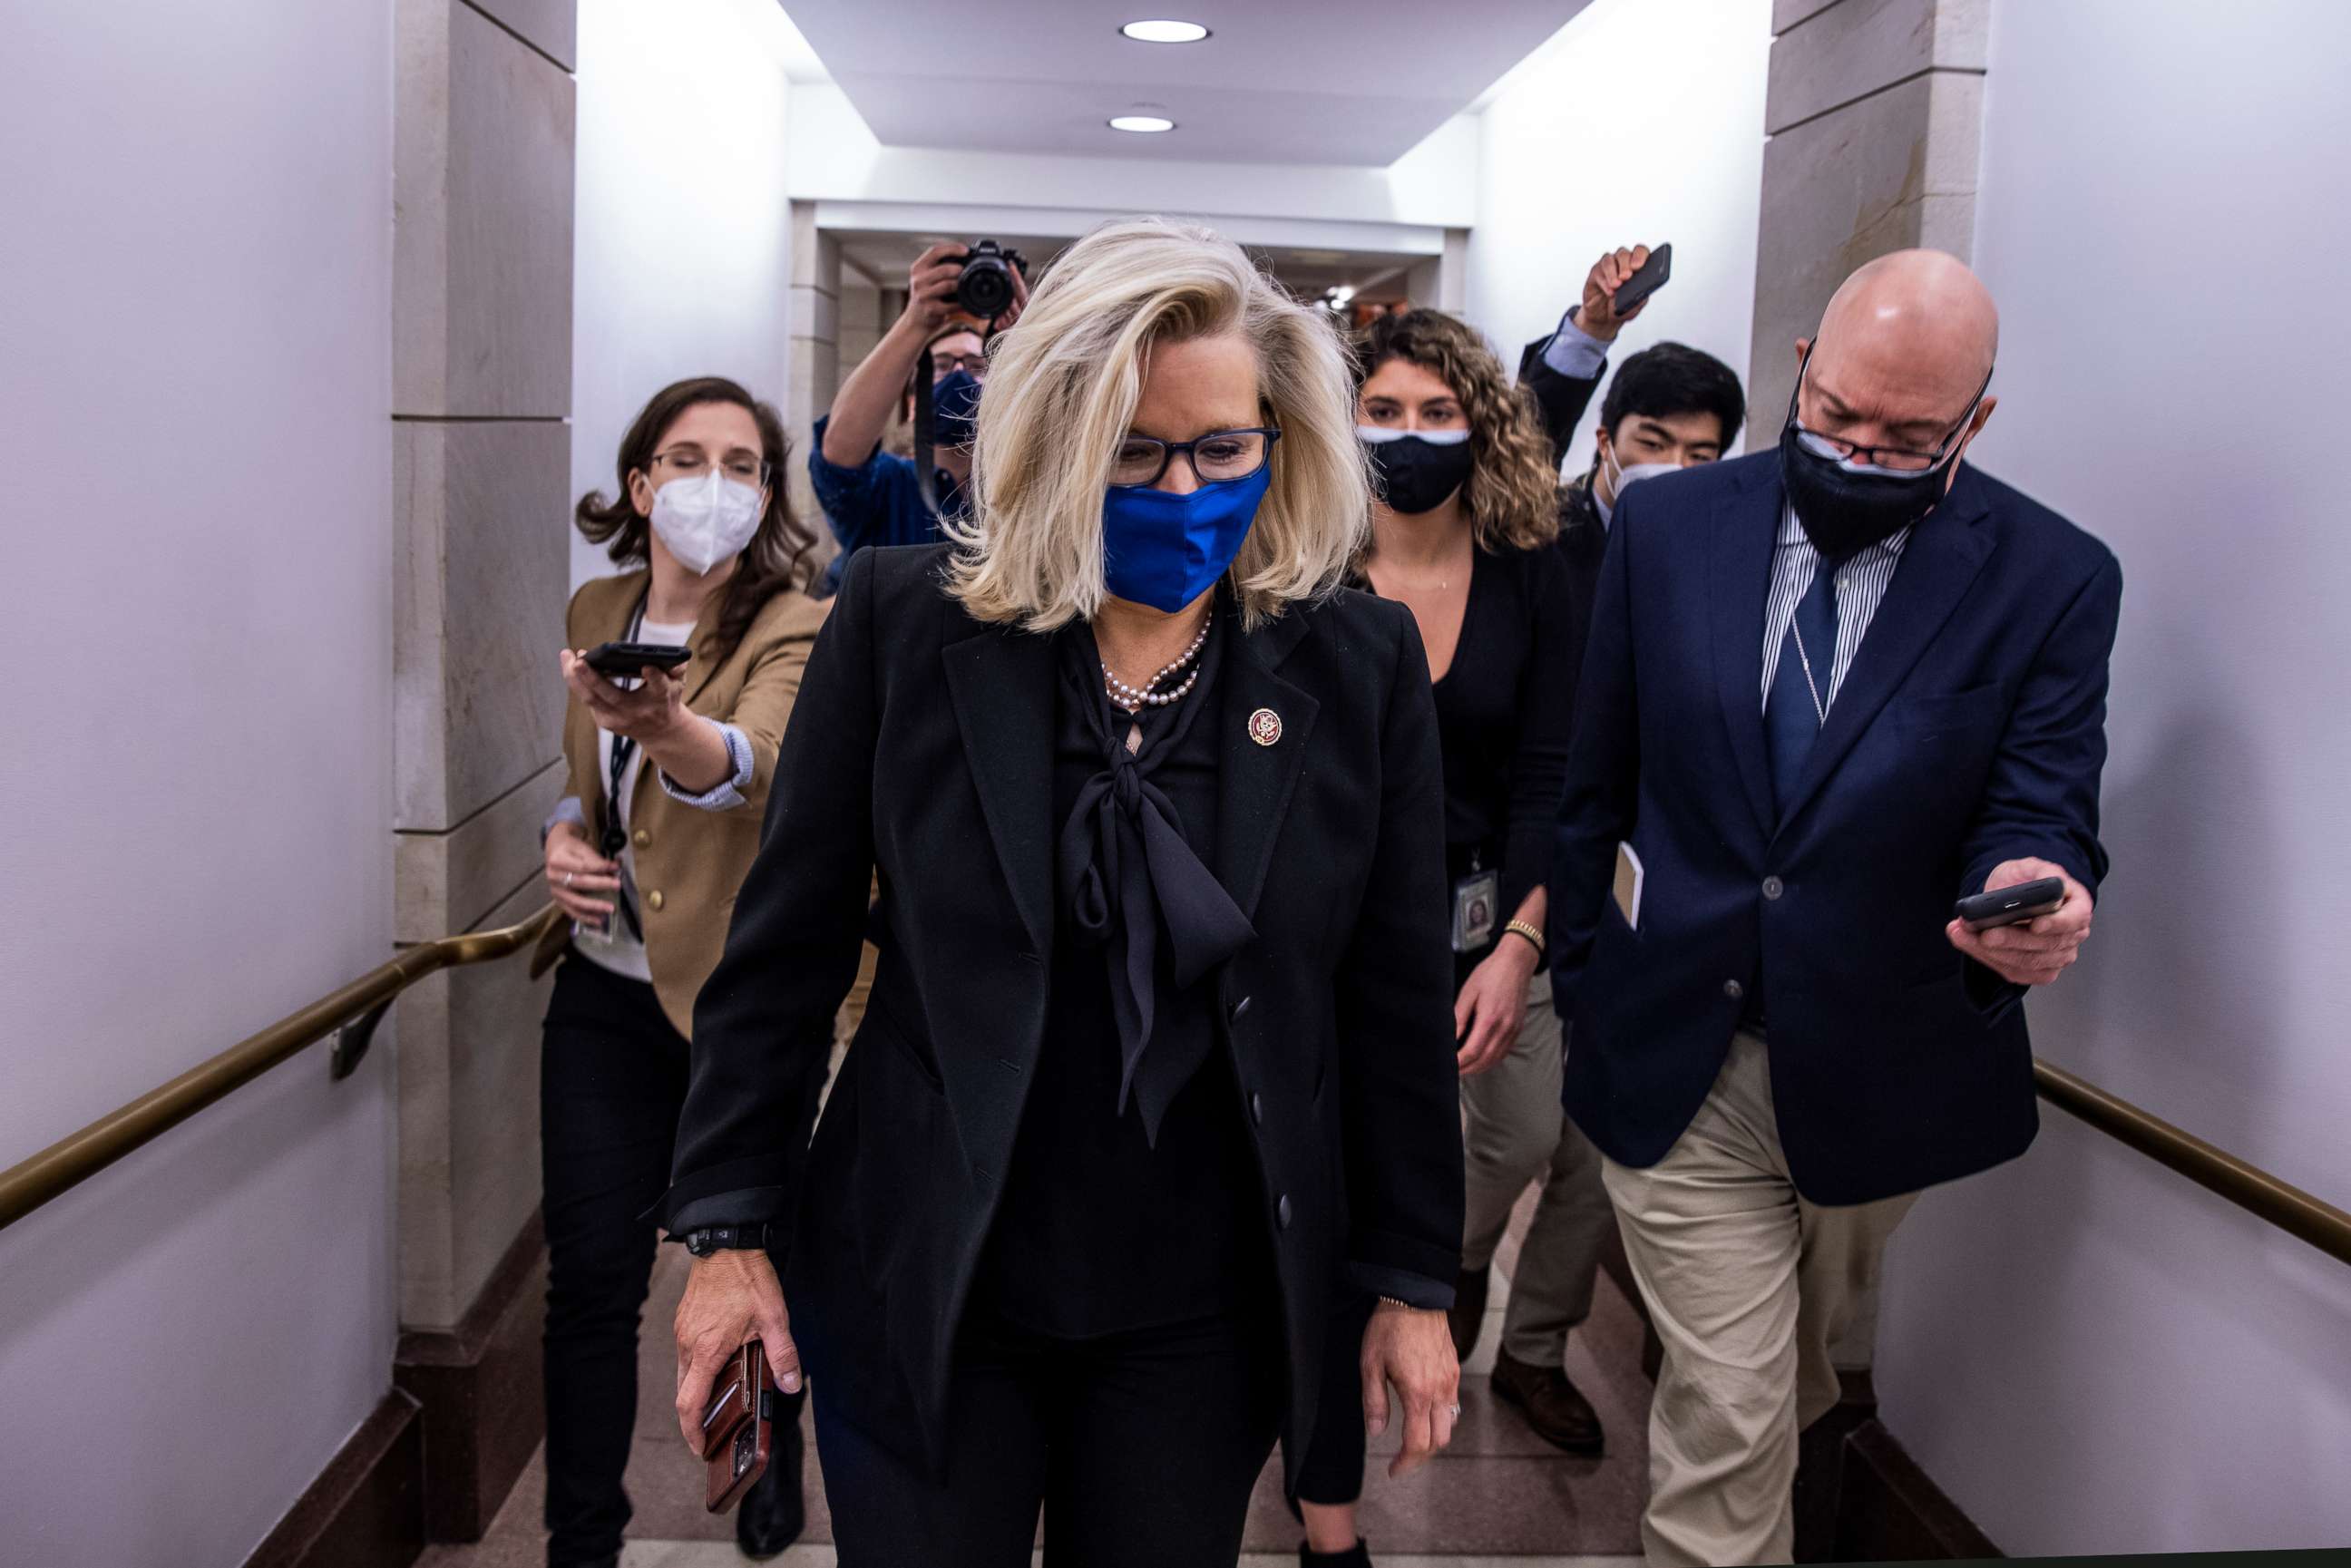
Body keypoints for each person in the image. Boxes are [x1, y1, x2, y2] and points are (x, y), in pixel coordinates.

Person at [660, 219, 1465, 1567]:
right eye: (1132, 452)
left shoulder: (1353, 660)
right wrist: (727, 1231)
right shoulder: (906, 621)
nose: (1181, 488)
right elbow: (786, 945)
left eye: (1222, 448)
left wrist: (1411, 1278)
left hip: (1198, 1304)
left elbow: (1390, 994)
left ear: (1281, 442)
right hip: (927, 1267)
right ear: (1055, 446)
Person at [1550, 249, 2122, 1566]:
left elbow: (2042, 799)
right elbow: (1598, 781)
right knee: (1735, 1411)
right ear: (1801, 372)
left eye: (1909, 435)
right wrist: (1585, 987)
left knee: (1794, 1378)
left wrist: (2040, 894)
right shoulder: (1669, 528)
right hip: (1677, 1043)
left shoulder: (2052, 578)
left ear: (1974, 422)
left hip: (1883, 1056)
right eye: (1839, 416)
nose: (1864, 449)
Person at [1282, 308, 1595, 1567]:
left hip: (1486, 912)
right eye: (1382, 413)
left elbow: (1553, 772)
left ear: (1482, 425)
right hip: (1325, 927)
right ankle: (1329, 1487)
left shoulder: (1535, 565)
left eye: (1435, 414)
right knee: (1326, 1183)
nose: (1408, 438)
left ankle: (1434, 1268)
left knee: (1516, 1132)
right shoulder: (1301, 560)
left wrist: (1521, 941)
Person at [532, 377, 828, 1568]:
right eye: (691, 459)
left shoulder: (793, 622)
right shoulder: (597, 600)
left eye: (746, 465)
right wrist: (560, 831)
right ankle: (580, 1536)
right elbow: (582, 773)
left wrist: (658, 722)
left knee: (757, 1256)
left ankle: (768, 1456)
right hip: (602, 1000)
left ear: (765, 495)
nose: (720, 485)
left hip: (740, 1009)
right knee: (592, 1283)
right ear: (643, 485)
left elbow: (748, 765)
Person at [806, 242, 1029, 593]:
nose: (959, 376)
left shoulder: (1026, 489)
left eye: (976, 367)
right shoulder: (887, 486)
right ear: (912, 401)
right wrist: (916, 321)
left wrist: (1033, 346)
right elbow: (838, 457)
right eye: (941, 366)